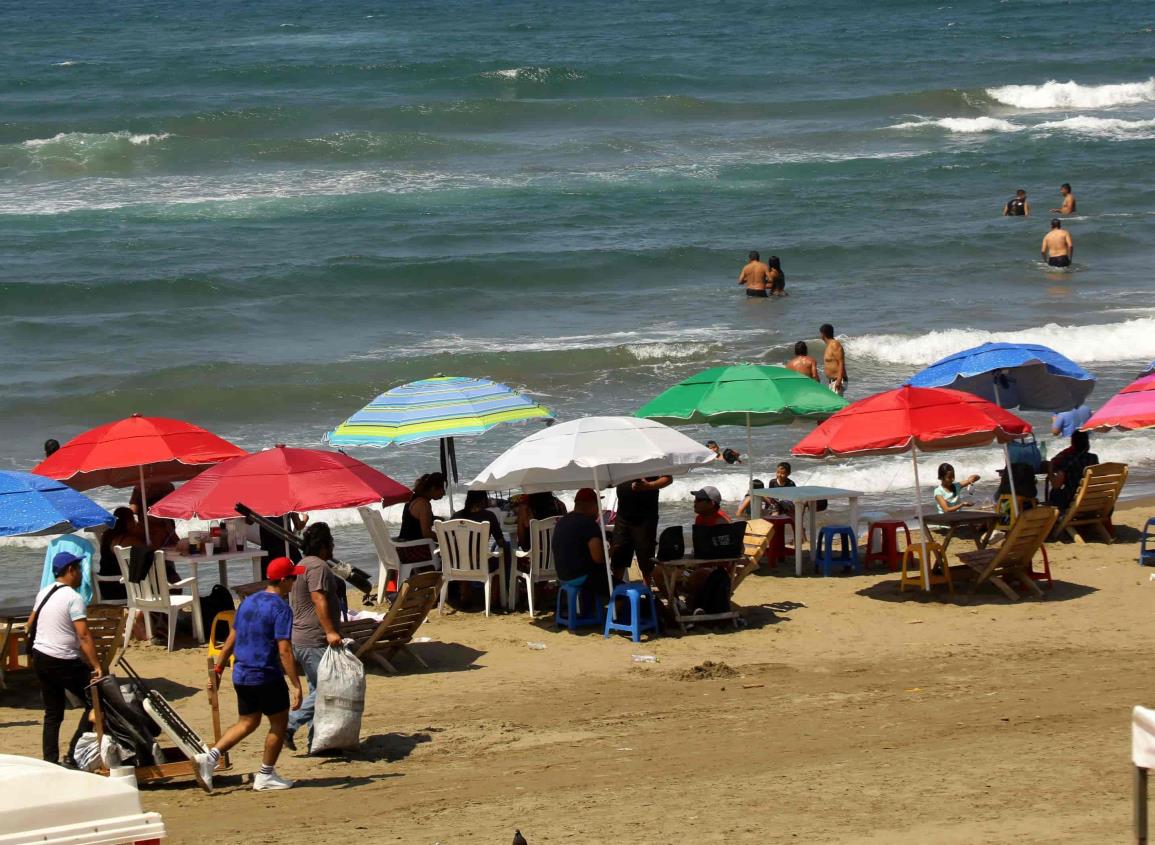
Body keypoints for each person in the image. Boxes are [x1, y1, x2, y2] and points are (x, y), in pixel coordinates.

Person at [196, 557, 304, 793]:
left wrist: (218, 670)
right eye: (293, 578)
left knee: (248, 721)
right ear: (284, 580)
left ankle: (210, 757)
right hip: (265, 674)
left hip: (242, 673)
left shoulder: (248, 602)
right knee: (279, 722)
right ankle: (265, 774)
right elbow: (284, 649)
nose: (295, 582)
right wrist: (296, 684)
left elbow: (231, 639)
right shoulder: (281, 608)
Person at [28, 551, 103, 766]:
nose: (81, 574)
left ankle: (49, 761)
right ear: (70, 570)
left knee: (53, 713)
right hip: (62, 659)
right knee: (96, 702)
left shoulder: (44, 592)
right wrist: (96, 665)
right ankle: (73, 754)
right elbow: (84, 635)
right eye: (79, 569)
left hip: (40, 656)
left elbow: (30, 623)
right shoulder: (73, 597)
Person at [285, 522, 344, 752]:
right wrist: (330, 631)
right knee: (328, 689)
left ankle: (315, 740)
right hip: (314, 638)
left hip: (300, 638)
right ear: (323, 545)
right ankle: (289, 725)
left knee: (316, 688)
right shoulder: (318, 567)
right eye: (330, 541)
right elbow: (318, 598)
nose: (332, 546)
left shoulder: (300, 565)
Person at [551, 488, 617, 598]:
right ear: (590, 505)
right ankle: (621, 607)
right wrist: (613, 550)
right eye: (597, 504)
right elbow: (599, 558)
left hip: (563, 576)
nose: (598, 508)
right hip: (584, 577)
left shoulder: (562, 521)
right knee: (622, 590)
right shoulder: (588, 524)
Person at [611, 476, 672, 579]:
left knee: (646, 560)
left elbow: (668, 478)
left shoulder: (652, 459)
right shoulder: (619, 459)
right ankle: (618, 591)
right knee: (618, 557)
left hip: (645, 517)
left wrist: (648, 485)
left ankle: (647, 592)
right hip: (623, 515)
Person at [96, 507, 143, 601]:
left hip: (106, 586)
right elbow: (147, 551)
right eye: (133, 519)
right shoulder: (127, 540)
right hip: (120, 587)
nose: (135, 522)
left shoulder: (107, 535)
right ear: (128, 522)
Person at [397, 472, 446, 562]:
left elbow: (415, 520)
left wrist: (435, 518)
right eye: (442, 489)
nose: (444, 493)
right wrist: (446, 538)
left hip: (403, 548)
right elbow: (426, 533)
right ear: (433, 489)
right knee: (450, 552)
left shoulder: (413, 499)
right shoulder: (424, 504)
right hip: (413, 551)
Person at [1048, 430, 1098, 511]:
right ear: (1087, 442)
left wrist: (1050, 469)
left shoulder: (1069, 460)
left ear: (1073, 443)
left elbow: (1056, 485)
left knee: (1055, 492)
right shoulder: (1094, 458)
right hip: (1092, 497)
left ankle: (1059, 516)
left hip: (1074, 499)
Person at [820, 324, 848, 396]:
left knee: (838, 406)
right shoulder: (829, 345)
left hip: (837, 381)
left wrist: (839, 380)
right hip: (833, 381)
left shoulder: (835, 345)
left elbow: (841, 362)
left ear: (823, 334)